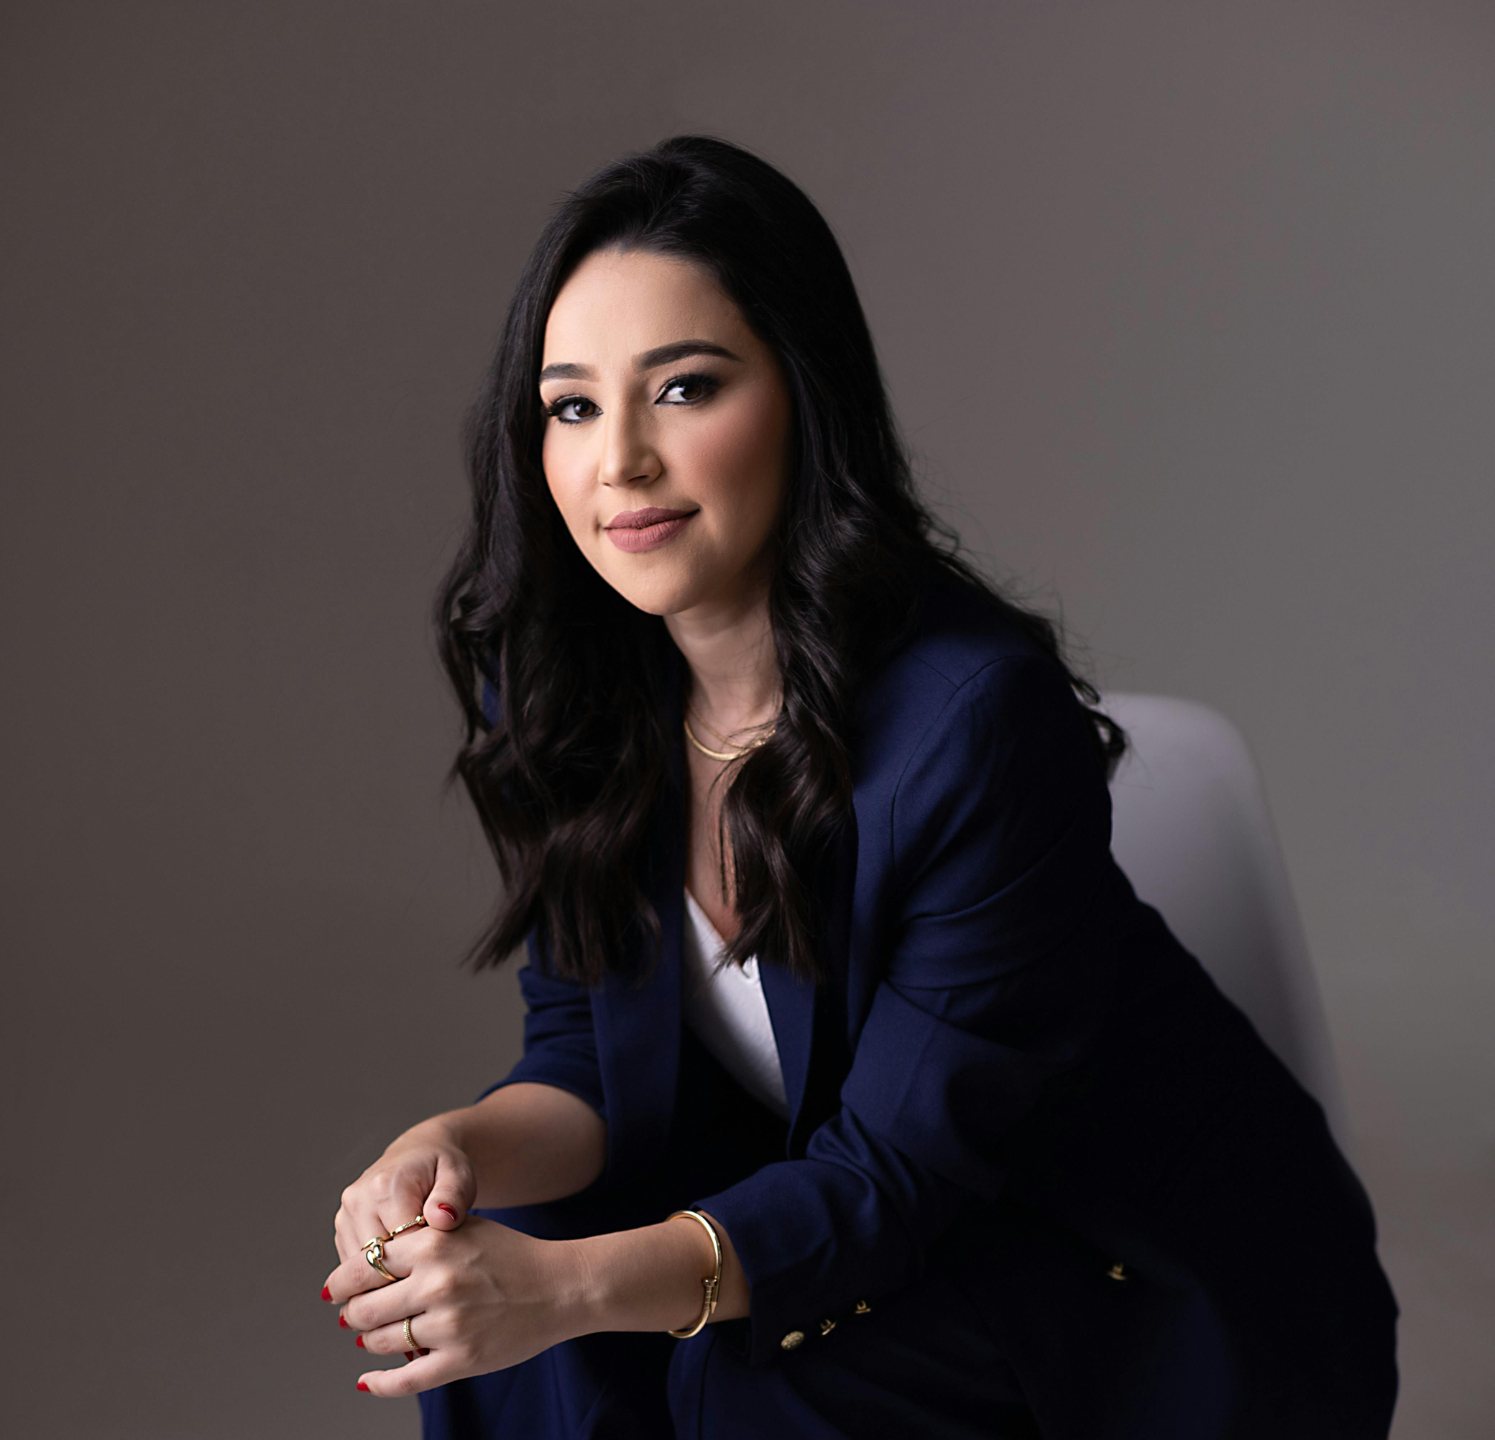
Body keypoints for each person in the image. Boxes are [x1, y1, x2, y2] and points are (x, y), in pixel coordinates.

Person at [321, 136, 1397, 1439]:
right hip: (877, 1214)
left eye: (684, 389)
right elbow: (588, 1060)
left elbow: (895, 1173)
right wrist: (447, 1152)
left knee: (716, 1359)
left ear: (803, 393)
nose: (622, 464)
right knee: (510, 1281)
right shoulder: (572, 696)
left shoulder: (973, 721)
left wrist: (563, 1290)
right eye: (573, 407)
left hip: (1127, 1267)